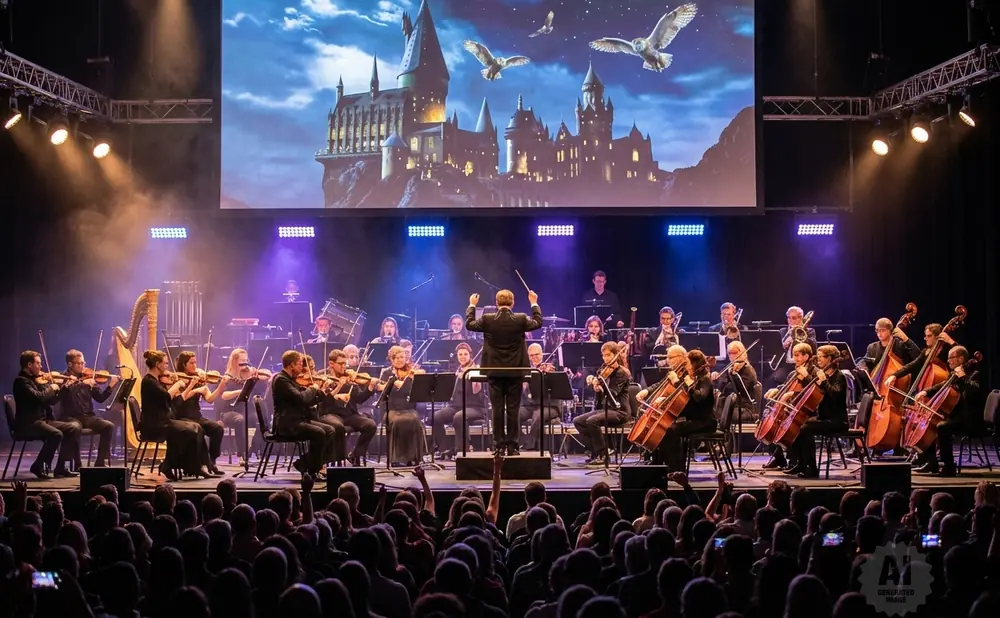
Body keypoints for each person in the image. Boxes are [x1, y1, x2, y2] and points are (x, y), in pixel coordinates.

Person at [466, 288, 544, 456]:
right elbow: (538, 322)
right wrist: (533, 302)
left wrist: (472, 305)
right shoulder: (520, 319)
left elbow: (469, 324)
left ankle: (499, 446)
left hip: (494, 372)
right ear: (513, 303)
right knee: (513, 409)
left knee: (497, 409)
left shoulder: (487, 319)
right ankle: (513, 446)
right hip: (515, 372)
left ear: (496, 303)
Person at [637, 347, 715, 471]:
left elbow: (699, 398)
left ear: (694, 364)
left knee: (671, 429)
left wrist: (684, 383)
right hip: (693, 418)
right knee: (668, 427)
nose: (686, 365)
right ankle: (659, 462)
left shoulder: (705, 380)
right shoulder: (692, 378)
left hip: (705, 422)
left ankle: (675, 468)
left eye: (688, 363)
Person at [139, 350, 211, 480]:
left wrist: (187, 387)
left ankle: (195, 466)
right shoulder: (149, 382)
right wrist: (177, 384)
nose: (167, 367)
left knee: (198, 428)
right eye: (165, 363)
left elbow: (172, 401)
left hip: (164, 421)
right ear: (157, 364)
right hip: (155, 425)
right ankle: (171, 464)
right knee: (189, 431)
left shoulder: (157, 380)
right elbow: (166, 397)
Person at [911, 345, 979, 477]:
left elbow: (973, 394)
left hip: (969, 418)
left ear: (961, 359)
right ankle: (931, 461)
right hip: (955, 415)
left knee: (942, 427)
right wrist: (926, 391)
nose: (948, 361)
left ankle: (949, 466)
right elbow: (943, 385)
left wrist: (963, 378)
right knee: (930, 422)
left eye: (951, 358)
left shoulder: (974, 374)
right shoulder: (954, 374)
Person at [12, 350, 81, 478]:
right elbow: (40, 398)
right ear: (29, 365)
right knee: (56, 434)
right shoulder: (21, 382)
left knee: (73, 428)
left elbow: (51, 401)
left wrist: (65, 387)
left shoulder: (36, 380)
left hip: (42, 421)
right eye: (38, 363)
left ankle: (60, 467)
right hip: (28, 424)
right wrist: (51, 388)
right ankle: (38, 466)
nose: (41, 366)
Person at [271, 350, 338, 477]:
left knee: (330, 430)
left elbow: (308, 400)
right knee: (319, 432)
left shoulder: (292, 380)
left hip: (298, 420)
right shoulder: (281, 380)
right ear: (291, 365)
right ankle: (313, 471)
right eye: (299, 364)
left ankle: (303, 463)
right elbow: (301, 399)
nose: (302, 368)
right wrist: (313, 388)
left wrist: (322, 390)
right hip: (287, 424)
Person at [786, 345, 848, 479]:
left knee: (805, 428)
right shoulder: (823, 374)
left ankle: (812, 468)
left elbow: (835, 395)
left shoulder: (839, 376)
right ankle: (800, 463)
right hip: (824, 417)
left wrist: (824, 381)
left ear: (830, 358)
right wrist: (808, 379)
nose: (818, 360)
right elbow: (813, 390)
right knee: (797, 425)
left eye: (821, 357)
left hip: (836, 421)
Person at [574, 342, 632, 465]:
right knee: (578, 421)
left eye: (608, 355)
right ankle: (595, 451)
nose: (605, 358)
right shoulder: (602, 370)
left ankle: (603, 455)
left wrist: (601, 386)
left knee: (592, 421)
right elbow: (600, 395)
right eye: (603, 355)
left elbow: (613, 393)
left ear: (616, 355)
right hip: (605, 409)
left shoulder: (621, 373)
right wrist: (594, 384)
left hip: (620, 411)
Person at [58, 349, 118, 468]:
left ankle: (100, 463)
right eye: (79, 363)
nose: (82, 366)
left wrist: (111, 386)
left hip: (87, 416)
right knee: (75, 428)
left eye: (83, 363)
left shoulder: (88, 378)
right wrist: (83, 384)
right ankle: (77, 464)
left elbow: (100, 398)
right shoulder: (63, 378)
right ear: (70, 364)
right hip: (70, 416)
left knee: (108, 426)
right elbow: (66, 392)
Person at [320, 348, 378, 466]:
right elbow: (323, 401)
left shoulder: (350, 378)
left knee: (370, 425)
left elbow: (360, 399)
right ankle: (336, 458)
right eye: (340, 364)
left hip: (349, 415)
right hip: (331, 414)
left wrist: (370, 387)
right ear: (331, 364)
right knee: (338, 426)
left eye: (345, 364)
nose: (344, 367)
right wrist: (337, 389)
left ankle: (355, 455)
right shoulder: (323, 377)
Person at [762, 342, 815, 470]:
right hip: (792, 409)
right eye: (794, 355)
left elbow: (812, 390)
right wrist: (776, 390)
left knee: (789, 426)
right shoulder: (793, 373)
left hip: (806, 410)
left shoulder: (813, 372)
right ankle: (779, 458)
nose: (795, 358)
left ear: (806, 356)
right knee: (768, 418)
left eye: (797, 355)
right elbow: (786, 386)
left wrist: (804, 379)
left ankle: (794, 460)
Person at [431, 343, 486, 458]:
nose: (463, 357)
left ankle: (461, 451)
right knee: (436, 417)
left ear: (470, 355)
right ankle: (443, 449)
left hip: (475, 407)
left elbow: (477, 390)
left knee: (459, 417)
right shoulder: (458, 371)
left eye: (465, 354)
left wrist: (473, 376)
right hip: (456, 406)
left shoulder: (475, 370)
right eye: (460, 354)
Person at [375, 345, 427, 466]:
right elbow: (380, 388)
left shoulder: (410, 371)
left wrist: (413, 377)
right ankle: (397, 458)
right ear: (391, 359)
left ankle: (414, 457)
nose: (400, 360)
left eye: (402, 357)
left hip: (408, 408)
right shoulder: (387, 373)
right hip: (391, 409)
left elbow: (421, 379)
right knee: (397, 422)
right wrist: (391, 384)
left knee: (415, 420)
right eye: (397, 358)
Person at [518, 344, 563, 452]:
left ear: (542, 354)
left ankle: (530, 445)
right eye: (531, 355)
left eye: (537, 354)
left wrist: (549, 374)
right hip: (532, 405)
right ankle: (522, 441)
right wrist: (523, 385)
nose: (534, 358)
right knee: (513, 414)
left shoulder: (550, 367)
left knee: (537, 415)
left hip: (550, 405)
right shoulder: (527, 370)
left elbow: (558, 384)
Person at [711, 340, 759, 422]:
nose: (732, 356)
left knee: (726, 415)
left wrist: (734, 375)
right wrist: (716, 376)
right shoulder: (730, 368)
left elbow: (740, 390)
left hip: (744, 408)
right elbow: (721, 386)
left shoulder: (748, 370)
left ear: (742, 353)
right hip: (731, 405)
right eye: (730, 353)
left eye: (735, 352)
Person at [770, 306, 817, 387]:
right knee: (772, 379)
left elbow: (813, 347)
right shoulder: (783, 331)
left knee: (784, 379)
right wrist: (784, 345)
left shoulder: (810, 331)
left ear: (801, 318)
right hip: (786, 364)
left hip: (802, 364)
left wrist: (798, 335)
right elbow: (776, 350)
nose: (790, 320)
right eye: (789, 318)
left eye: (794, 318)